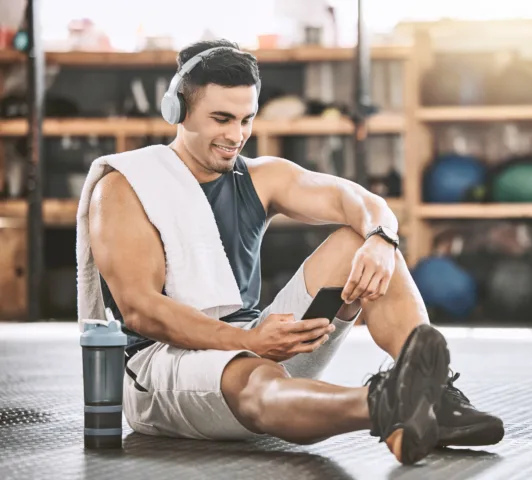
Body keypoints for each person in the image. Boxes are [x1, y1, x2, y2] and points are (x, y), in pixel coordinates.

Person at [87, 39, 504, 465]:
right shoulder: (125, 188)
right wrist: (246, 341)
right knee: (256, 376)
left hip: (256, 340)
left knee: (359, 237)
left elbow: (356, 200)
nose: (236, 135)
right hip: (161, 368)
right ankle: (390, 405)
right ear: (177, 109)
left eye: (246, 119)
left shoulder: (260, 177)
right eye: (221, 119)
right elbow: (140, 310)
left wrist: (381, 238)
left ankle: (433, 396)